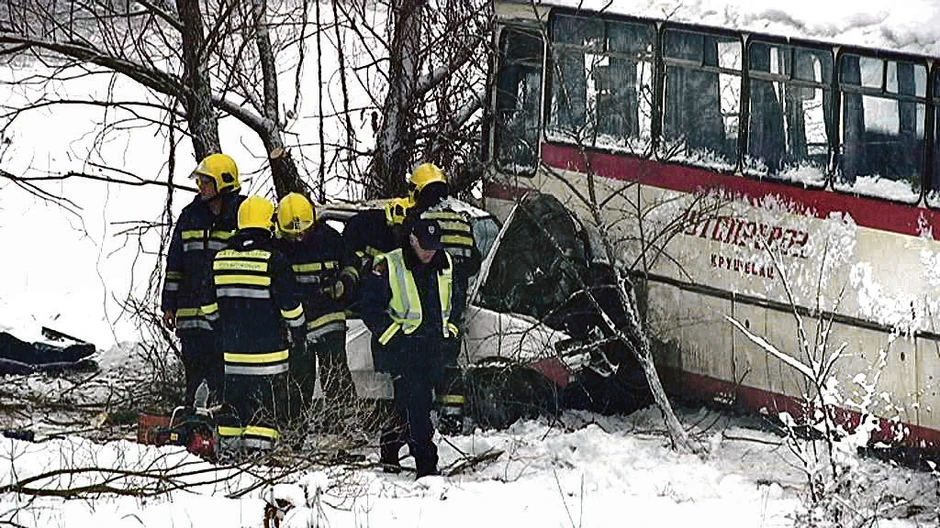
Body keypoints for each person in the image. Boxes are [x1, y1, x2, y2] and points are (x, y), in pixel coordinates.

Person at [200, 195, 306, 453]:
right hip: (269, 357)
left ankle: (228, 456)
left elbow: (206, 305)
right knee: (264, 412)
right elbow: (290, 308)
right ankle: (258, 459)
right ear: (269, 223)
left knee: (233, 408)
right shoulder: (274, 259)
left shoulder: (219, 259)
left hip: (232, 356)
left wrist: (221, 330)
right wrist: (299, 334)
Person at [360, 218, 465, 478]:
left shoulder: (445, 262)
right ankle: (427, 466)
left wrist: (450, 331)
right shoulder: (389, 264)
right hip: (402, 349)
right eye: (424, 246)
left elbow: (455, 303)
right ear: (412, 240)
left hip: (433, 347)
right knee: (418, 407)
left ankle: (390, 445)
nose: (429, 252)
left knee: (407, 405)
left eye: (434, 246)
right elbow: (370, 309)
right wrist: (394, 339)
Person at [161, 153, 245, 406]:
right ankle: (193, 424)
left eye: (206, 182)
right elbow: (175, 264)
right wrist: (168, 305)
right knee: (194, 376)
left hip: (224, 316)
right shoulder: (190, 216)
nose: (201, 188)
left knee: (224, 375)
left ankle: (220, 420)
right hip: (189, 316)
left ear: (223, 182)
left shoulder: (242, 215)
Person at [404, 162, 481, 434]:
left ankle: (420, 420)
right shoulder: (461, 221)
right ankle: (451, 419)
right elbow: (474, 263)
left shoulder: (422, 221)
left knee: (422, 364)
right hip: (455, 305)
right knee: (450, 363)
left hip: (428, 304)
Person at [275, 193, 357, 421]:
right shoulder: (279, 247)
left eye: (303, 231)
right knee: (298, 381)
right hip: (297, 325)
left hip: (329, 318)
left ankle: (346, 428)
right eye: (293, 234)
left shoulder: (330, 239)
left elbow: (351, 265)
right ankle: (293, 434)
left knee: (336, 375)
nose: (299, 238)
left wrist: (344, 284)